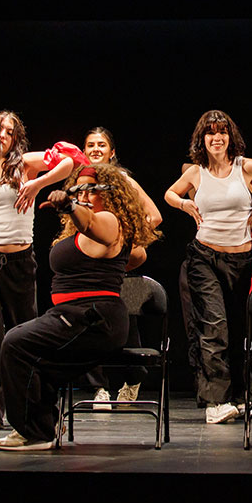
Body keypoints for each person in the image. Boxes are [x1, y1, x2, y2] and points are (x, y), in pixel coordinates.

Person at [0, 163, 160, 450]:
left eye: (90, 189)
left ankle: (34, 433)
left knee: (15, 343)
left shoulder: (108, 220)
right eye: (78, 188)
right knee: (35, 359)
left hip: (92, 318)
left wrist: (69, 203)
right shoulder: (98, 231)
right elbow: (135, 257)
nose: (83, 194)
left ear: (110, 194)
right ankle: (43, 426)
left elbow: (91, 223)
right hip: (73, 316)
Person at [163, 110, 252, 424]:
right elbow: (169, 193)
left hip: (242, 260)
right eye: (210, 133)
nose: (216, 138)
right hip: (204, 257)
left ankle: (238, 394)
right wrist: (185, 203)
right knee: (214, 326)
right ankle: (215, 402)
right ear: (202, 139)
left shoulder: (247, 167)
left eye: (222, 132)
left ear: (231, 137)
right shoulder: (196, 172)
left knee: (237, 328)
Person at [0, 110, 75, 429]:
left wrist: (38, 184)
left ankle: (30, 406)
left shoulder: (24, 162)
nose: (2, 135)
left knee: (24, 332)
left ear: (15, 139)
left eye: (9, 132)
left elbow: (69, 159)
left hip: (19, 260)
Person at [77, 126, 162, 407]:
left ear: (112, 152)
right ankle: (98, 388)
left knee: (127, 324)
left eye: (101, 144)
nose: (95, 149)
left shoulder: (123, 181)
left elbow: (155, 216)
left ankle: (133, 378)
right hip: (88, 265)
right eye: (90, 145)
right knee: (87, 323)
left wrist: (128, 243)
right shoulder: (79, 181)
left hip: (117, 265)